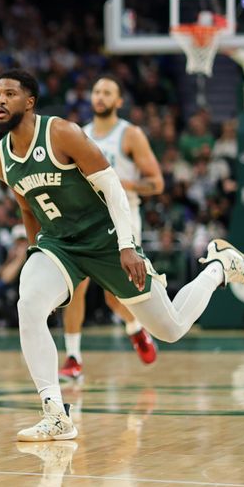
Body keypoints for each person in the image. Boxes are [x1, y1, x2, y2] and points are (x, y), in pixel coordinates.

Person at [0, 69, 244, 441]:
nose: (0, 100)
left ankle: (219, 266)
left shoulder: (62, 133)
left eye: (9, 94)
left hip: (104, 238)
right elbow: (27, 208)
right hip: (59, 245)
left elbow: (114, 188)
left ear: (30, 101)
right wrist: (36, 250)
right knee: (30, 304)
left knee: (170, 329)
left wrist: (126, 246)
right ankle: (55, 413)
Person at [60, 75, 165, 381]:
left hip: (124, 216)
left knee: (113, 297)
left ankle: (134, 328)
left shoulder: (130, 134)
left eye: (108, 92)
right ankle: (73, 357)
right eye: (96, 91)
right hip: (87, 218)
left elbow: (157, 183)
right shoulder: (79, 135)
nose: (100, 96)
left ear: (119, 101)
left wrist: (121, 182)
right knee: (75, 287)